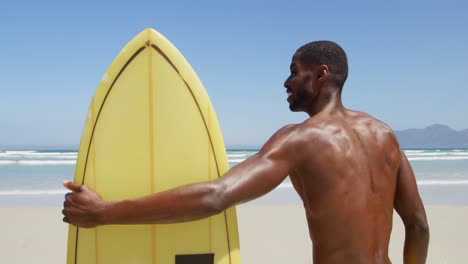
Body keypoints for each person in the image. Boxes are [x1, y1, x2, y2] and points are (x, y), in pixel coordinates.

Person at [62, 41, 429, 263]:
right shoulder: (386, 136)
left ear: (320, 75)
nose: (285, 81)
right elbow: (418, 226)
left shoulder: (301, 139)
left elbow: (215, 197)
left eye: (294, 71)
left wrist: (104, 213)